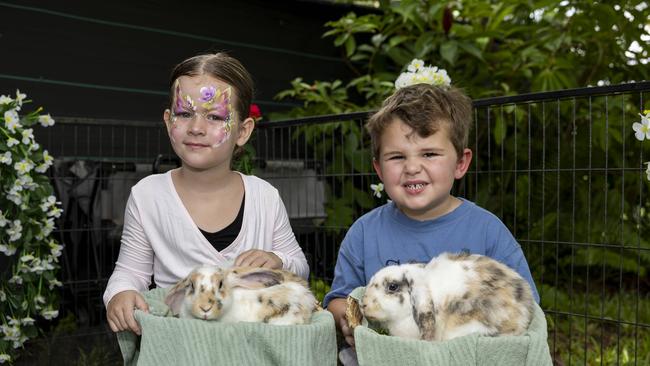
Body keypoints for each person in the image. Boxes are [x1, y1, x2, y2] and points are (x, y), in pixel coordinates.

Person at [324, 81, 540, 350]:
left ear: (461, 163)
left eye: (429, 154)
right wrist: (347, 318)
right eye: (396, 157)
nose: (412, 167)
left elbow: (525, 304)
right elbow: (339, 299)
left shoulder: (487, 231)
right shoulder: (364, 232)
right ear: (378, 169)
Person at [104, 53, 309, 335]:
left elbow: (299, 265)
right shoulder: (147, 196)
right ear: (168, 121)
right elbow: (131, 272)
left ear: (243, 131)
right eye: (184, 113)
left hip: (253, 343)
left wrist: (279, 260)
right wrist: (120, 293)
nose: (196, 128)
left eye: (214, 116)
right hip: (179, 341)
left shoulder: (265, 197)